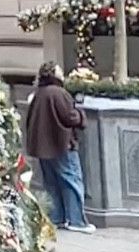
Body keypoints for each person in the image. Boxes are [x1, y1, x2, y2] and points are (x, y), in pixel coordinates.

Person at [25, 62, 96, 233]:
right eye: (59, 70)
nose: (62, 72)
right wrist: (81, 115)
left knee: (51, 183)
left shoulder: (38, 94)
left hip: (43, 147)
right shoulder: (59, 93)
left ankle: (56, 218)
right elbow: (70, 117)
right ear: (53, 74)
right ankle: (76, 220)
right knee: (72, 180)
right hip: (61, 145)